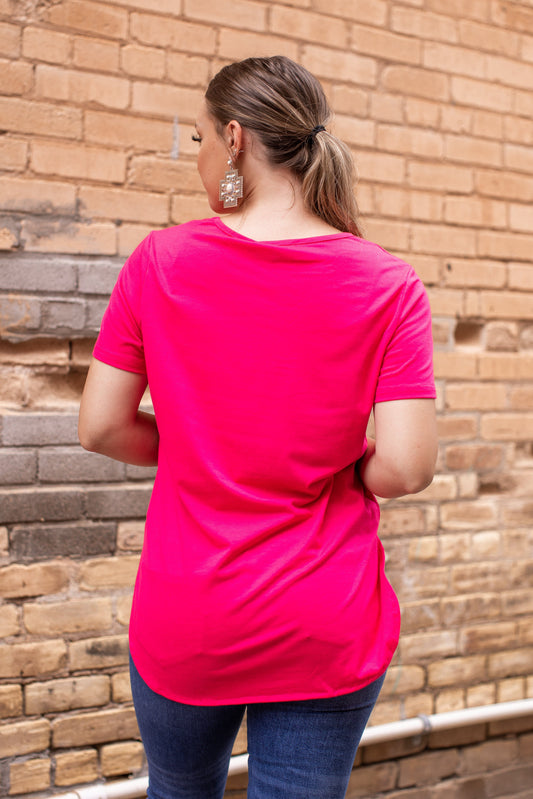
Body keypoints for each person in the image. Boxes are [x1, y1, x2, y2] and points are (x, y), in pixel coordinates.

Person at [79, 56, 437, 799]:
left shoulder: (159, 262)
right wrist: (341, 465)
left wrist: (195, 450)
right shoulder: (386, 283)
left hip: (191, 610)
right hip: (323, 612)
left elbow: (102, 428)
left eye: (202, 139)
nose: (200, 158)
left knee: (178, 791)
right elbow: (404, 468)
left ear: (235, 138)